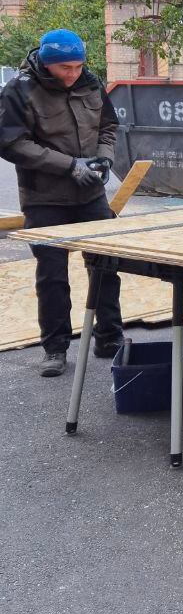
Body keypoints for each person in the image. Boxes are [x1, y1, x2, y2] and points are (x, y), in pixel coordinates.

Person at [0, 29, 123, 377]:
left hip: (91, 195)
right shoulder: (20, 90)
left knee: (106, 264)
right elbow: (11, 143)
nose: (72, 75)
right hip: (45, 198)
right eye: (65, 68)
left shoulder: (90, 83)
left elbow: (109, 127)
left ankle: (109, 336)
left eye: (78, 66)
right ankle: (55, 348)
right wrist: (69, 166)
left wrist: (103, 159)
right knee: (52, 275)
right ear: (47, 63)